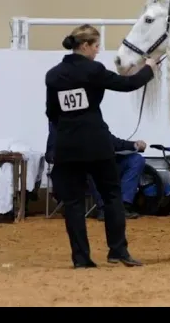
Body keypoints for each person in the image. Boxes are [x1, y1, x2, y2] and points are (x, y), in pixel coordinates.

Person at [45, 24, 157, 269]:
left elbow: (51, 113)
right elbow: (128, 84)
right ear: (85, 46)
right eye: (96, 46)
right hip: (96, 144)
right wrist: (149, 68)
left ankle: (81, 258)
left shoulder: (53, 75)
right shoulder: (93, 70)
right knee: (112, 196)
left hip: (67, 146)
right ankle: (117, 251)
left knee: (73, 203)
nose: (97, 51)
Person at [44, 121, 148, 221]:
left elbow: (112, 141)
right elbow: (50, 154)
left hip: (105, 165)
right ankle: (103, 209)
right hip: (78, 170)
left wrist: (134, 145)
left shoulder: (94, 119)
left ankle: (123, 206)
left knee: (136, 159)